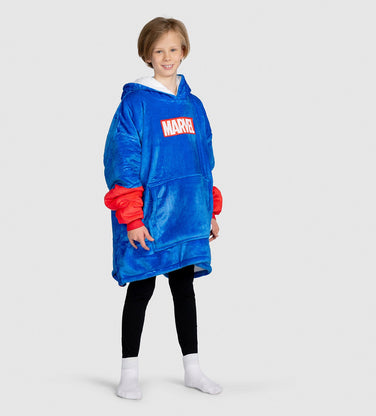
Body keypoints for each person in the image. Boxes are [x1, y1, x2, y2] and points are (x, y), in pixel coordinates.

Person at [103, 16, 223, 400]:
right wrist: (132, 218)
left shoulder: (194, 105)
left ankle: (193, 369)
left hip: (188, 216)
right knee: (141, 289)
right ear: (147, 55)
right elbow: (123, 162)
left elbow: (203, 161)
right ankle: (129, 372)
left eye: (173, 49)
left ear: (183, 51)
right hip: (149, 220)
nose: (167, 57)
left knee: (184, 289)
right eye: (159, 51)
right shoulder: (135, 104)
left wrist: (210, 210)